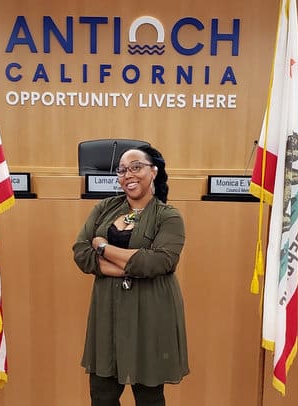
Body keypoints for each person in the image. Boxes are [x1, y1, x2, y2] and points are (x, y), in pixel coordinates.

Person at [73, 145, 189, 406]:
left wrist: (102, 247)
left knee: (149, 396)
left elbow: (160, 262)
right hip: (107, 311)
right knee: (102, 394)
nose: (128, 175)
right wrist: (131, 265)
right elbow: (81, 253)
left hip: (151, 310)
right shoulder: (105, 208)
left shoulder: (168, 216)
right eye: (122, 170)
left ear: (154, 171)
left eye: (136, 167)